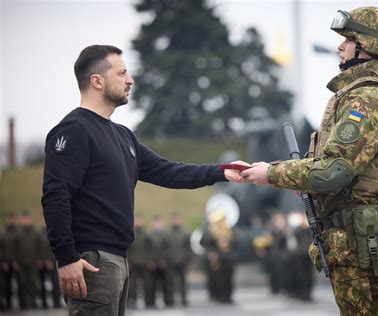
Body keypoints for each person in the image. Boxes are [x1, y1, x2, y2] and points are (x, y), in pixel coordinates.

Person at [41, 44, 246, 316]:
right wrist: (66, 257)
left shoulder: (124, 137)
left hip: (118, 262)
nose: (130, 80)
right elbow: (55, 195)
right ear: (97, 81)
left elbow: (170, 171)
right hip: (92, 261)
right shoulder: (74, 131)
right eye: (122, 73)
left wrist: (222, 171)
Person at [241, 7, 378, 315]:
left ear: (370, 47)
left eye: (348, 39)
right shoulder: (360, 95)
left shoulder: (368, 99)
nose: (340, 46)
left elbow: (334, 170)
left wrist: (272, 173)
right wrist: (303, 181)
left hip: (357, 237)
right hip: (353, 234)